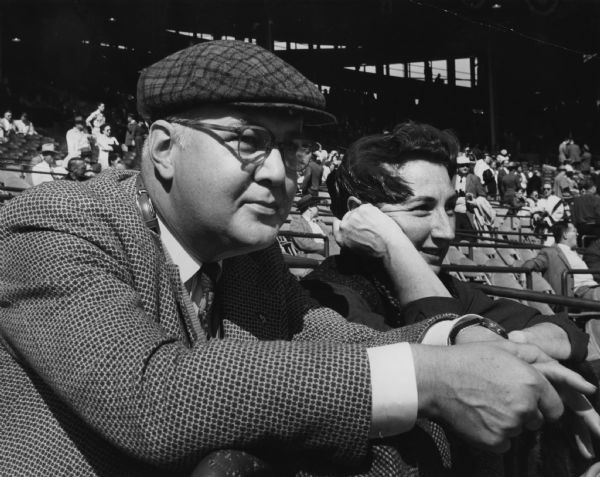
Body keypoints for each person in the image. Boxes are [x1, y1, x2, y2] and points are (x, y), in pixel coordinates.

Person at [0, 40, 593, 477]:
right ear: (162, 149)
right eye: (250, 140)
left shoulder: (248, 254)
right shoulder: (52, 223)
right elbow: (151, 396)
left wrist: (466, 343)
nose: (282, 173)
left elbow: (324, 336)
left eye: (291, 145)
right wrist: (429, 377)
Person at [522, 221, 600, 300]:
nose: (577, 234)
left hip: (593, 287)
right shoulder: (550, 252)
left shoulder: (574, 252)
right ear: (565, 235)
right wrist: (523, 275)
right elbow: (532, 263)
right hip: (580, 291)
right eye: (574, 231)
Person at [572, 179, 600, 245]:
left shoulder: (576, 200)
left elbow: (573, 216)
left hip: (580, 229)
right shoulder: (596, 199)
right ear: (593, 188)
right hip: (593, 229)